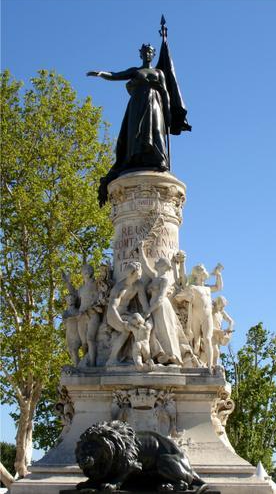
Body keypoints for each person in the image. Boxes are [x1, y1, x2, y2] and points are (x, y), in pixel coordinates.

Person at [87, 44, 171, 206]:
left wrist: (168, 113)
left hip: (154, 104)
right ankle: (136, 156)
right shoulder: (135, 71)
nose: (147, 54)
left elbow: (166, 93)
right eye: (145, 52)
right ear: (141, 54)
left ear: (153, 55)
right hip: (137, 106)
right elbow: (116, 75)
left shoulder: (159, 73)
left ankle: (159, 158)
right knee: (135, 134)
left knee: (156, 131)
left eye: (150, 52)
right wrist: (101, 73)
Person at [138, 241, 182, 365]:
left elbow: (161, 298)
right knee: (155, 330)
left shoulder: (164, 280)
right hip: (154, 306)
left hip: (161, 306)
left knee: (165, 329)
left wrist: (149, 310)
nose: (155, 262)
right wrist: (141, 249)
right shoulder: (155, 276)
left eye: (158, 262)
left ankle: (172, 356)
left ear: (162, 266)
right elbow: (145, 265)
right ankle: (160, 354)